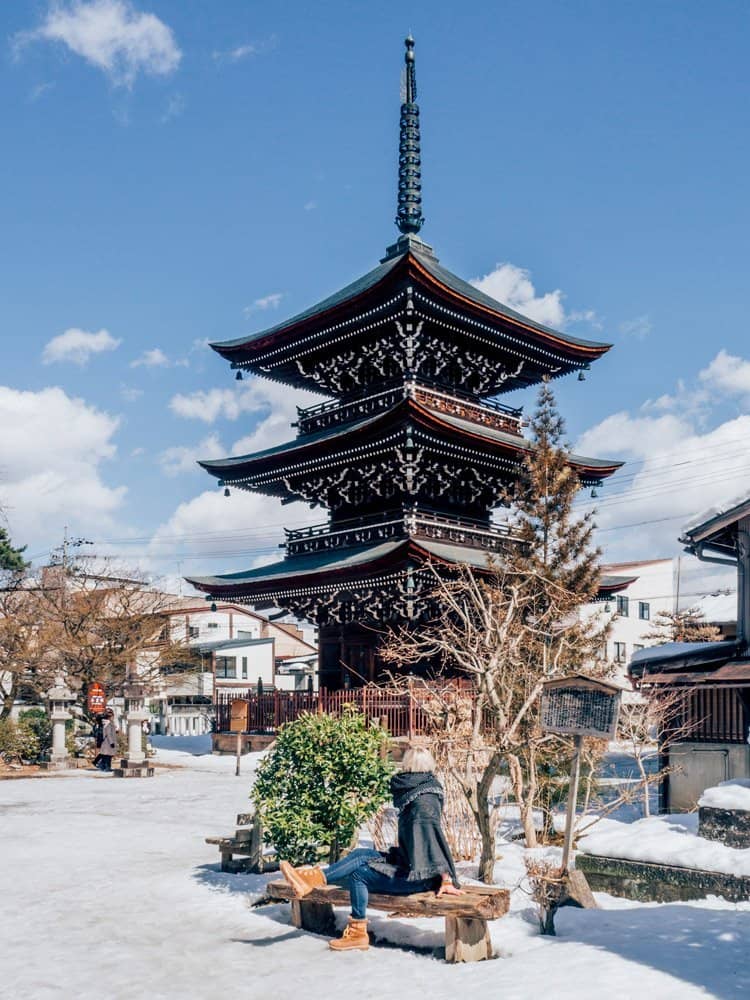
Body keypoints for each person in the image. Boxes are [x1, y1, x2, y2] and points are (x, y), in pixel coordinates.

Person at [280, 746, 462, 952]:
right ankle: (311, 879)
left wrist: (445, 878)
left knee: (360, 874)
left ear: (407, 765)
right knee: (360, 854)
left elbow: (432, 839)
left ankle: (357, 932)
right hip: (408, 862)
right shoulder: (418, 791)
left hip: (420, 875)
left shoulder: (423, 801)